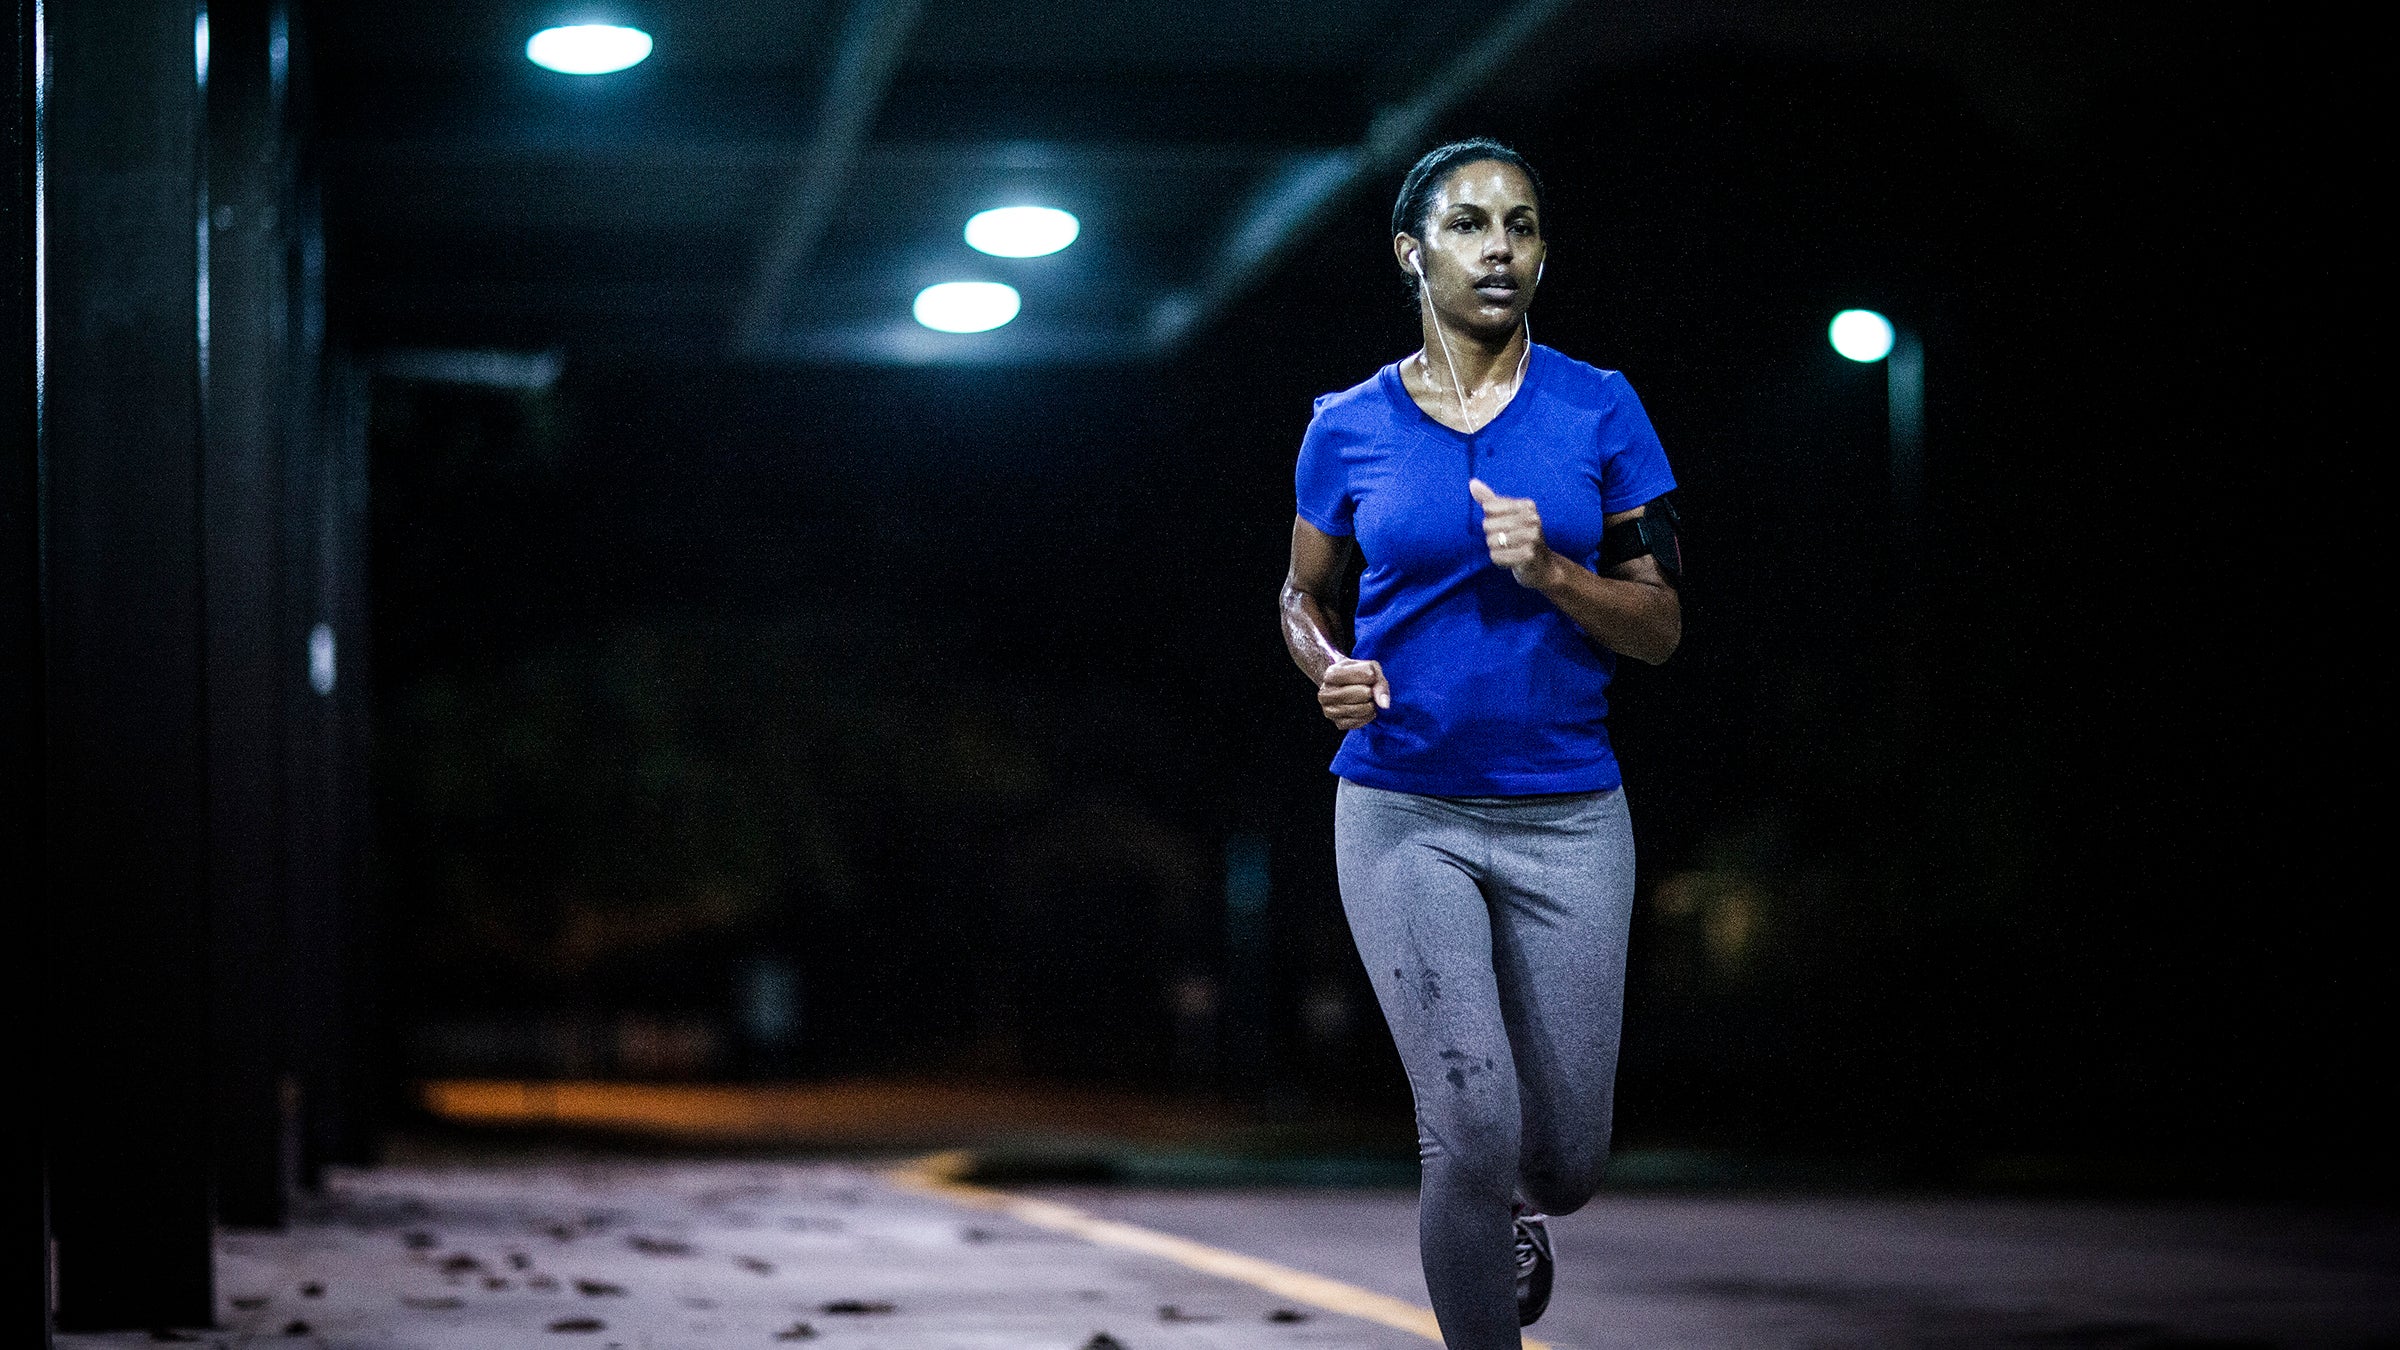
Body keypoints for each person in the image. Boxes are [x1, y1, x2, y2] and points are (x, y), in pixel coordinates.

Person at [1279, 138, 1683, 1348]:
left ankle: (1521, 1206)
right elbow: (1301, 595)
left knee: (1562, 1160)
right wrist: (1326, 667)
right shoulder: (1345, 427)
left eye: (1521, 225)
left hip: (1568, 812)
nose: (1499, 247)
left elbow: (1660, 626)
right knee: (1467, 1115)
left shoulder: (1598, 405)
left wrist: (1553, 571)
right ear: (1414, 252)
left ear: (1544, 252)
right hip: (1402, 807)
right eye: (1468, 225)